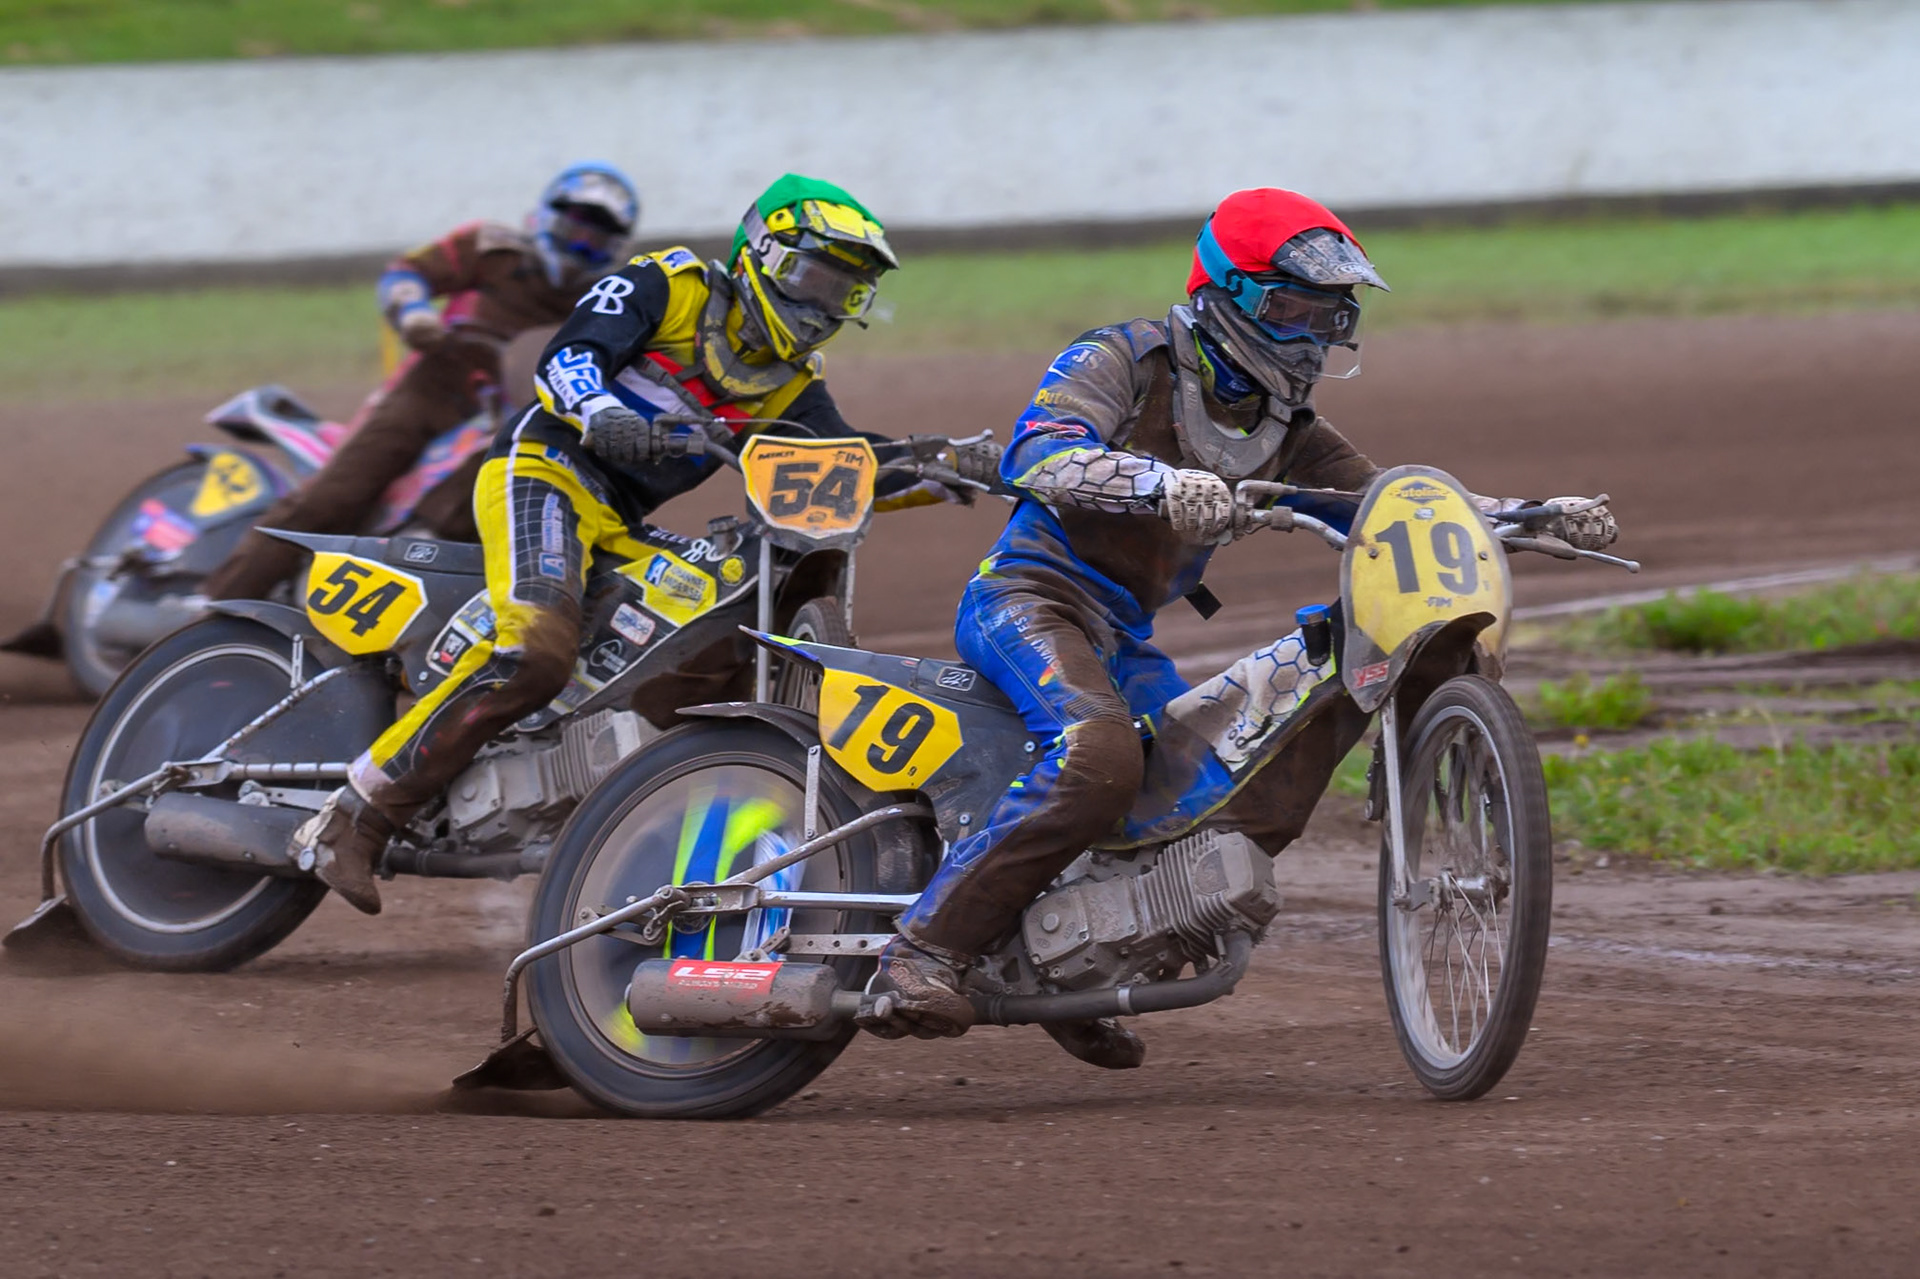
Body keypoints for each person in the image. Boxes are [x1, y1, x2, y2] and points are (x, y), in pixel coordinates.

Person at [859, 188, 1619, 1062]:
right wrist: (1151, 483)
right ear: (1227, 294)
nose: (1310, 336)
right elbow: (1039, 450)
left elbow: (1378, 507)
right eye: (1292, 310)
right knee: (1099, 758)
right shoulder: (1124, 357)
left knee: (1202, 791)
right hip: (1027, 599)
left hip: (1122, 631)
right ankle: (922, 951)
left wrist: (1528, 517)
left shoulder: (1286, 426)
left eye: (1328, 315)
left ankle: (1071, 969)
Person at [291, 173, 996, 916]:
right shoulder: (670, 285)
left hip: (619, 521)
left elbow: (842, 455)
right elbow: (567, 356)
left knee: (712, 639)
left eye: (845, 292)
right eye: (817, 277)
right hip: (544, 470)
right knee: (534, 650)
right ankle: (353, 814)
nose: (824, 305)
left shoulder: (790, 384)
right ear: (763, 255)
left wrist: (944, 466)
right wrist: (597, 408)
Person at [198, 163, 642, 601]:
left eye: (596, 240)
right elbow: (407, 273)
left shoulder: (604, 301)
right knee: (333, 500)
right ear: (546, 218)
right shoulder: (491, 248)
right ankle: (209, 610)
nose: (581, 245)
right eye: (574, 229)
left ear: (616, 249)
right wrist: (413, 312)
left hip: (508, 424)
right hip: (429, 393)